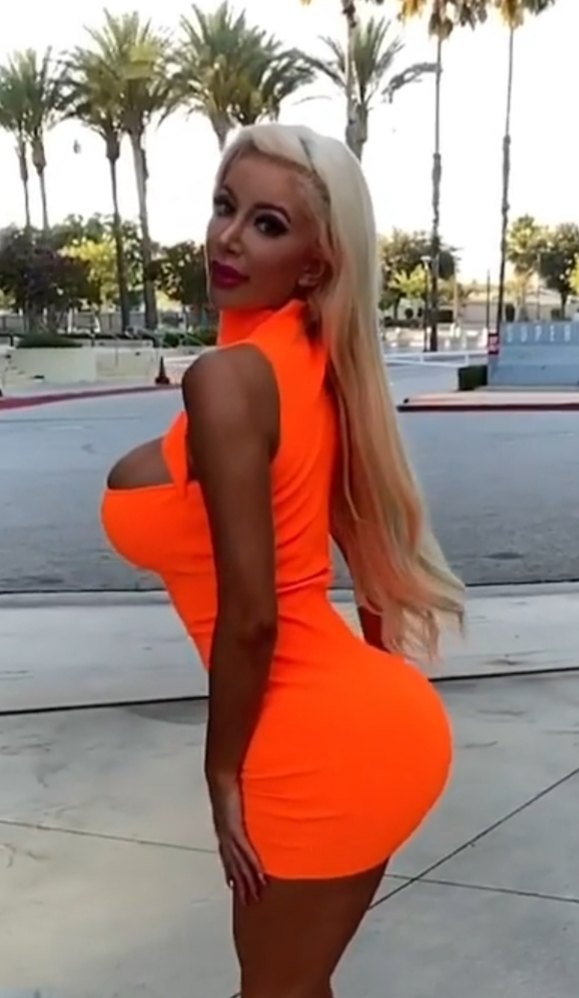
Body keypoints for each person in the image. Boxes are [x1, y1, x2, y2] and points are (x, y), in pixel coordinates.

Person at [101, 123, 464, 998]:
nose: (228, 238)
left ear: (313, 264)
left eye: (267, 224)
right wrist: (381, 684)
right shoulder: (312, 361)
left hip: (308, 744)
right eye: (225, 207)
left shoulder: (229, 380)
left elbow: (252, 616)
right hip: (365, 725)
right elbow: (367, 539)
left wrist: (221, 772)